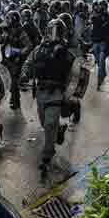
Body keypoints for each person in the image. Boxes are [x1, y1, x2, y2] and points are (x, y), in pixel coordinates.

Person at [21, 19, 76, 176]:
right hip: (40, 91)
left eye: (57, 31)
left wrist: (69, 95)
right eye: (52, 30)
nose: (54, 34)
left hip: (57, 93)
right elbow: (29, 63)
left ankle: (47, 155)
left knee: (50, 123)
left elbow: (75, 74)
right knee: (46, 124)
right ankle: (59, 129)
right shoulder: (39, 49)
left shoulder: (66, 53)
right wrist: (25, 74)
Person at [0, 11, 33, 110]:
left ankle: (16, 101)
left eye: (9, 19)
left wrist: (18, 52)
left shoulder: (20, 32)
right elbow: (0, 42)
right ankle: (12, 97)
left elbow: (29, 46)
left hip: (16, 61)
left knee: (14, 83)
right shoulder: (6, 30)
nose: (7, 21)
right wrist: (3, 34)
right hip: (6, 59)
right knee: (4, 80)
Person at [90, 0, 109, 90]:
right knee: (98, 60)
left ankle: (100, 79)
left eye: (104, 5)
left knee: (101, 59)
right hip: (95, 41)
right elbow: (92, 21)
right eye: (101, 5)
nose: (102, 7)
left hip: (104, 41)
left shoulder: (108, 17)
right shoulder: (95, 15)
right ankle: (103, 73)